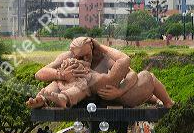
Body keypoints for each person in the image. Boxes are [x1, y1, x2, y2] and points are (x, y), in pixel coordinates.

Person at [26, 37, 174, 109]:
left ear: (92, 48)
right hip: (81, 96)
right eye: (78, 57)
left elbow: (131, 75)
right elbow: (40, 73)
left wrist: (119, 91)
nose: (82, 60)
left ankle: (165, 102)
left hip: (108, 97)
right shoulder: (68, 58)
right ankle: (42, 100)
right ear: (72, 53)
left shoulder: (103, 58)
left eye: (85, 55)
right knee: (56, 83)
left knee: (149, 78)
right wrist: (61, 75)